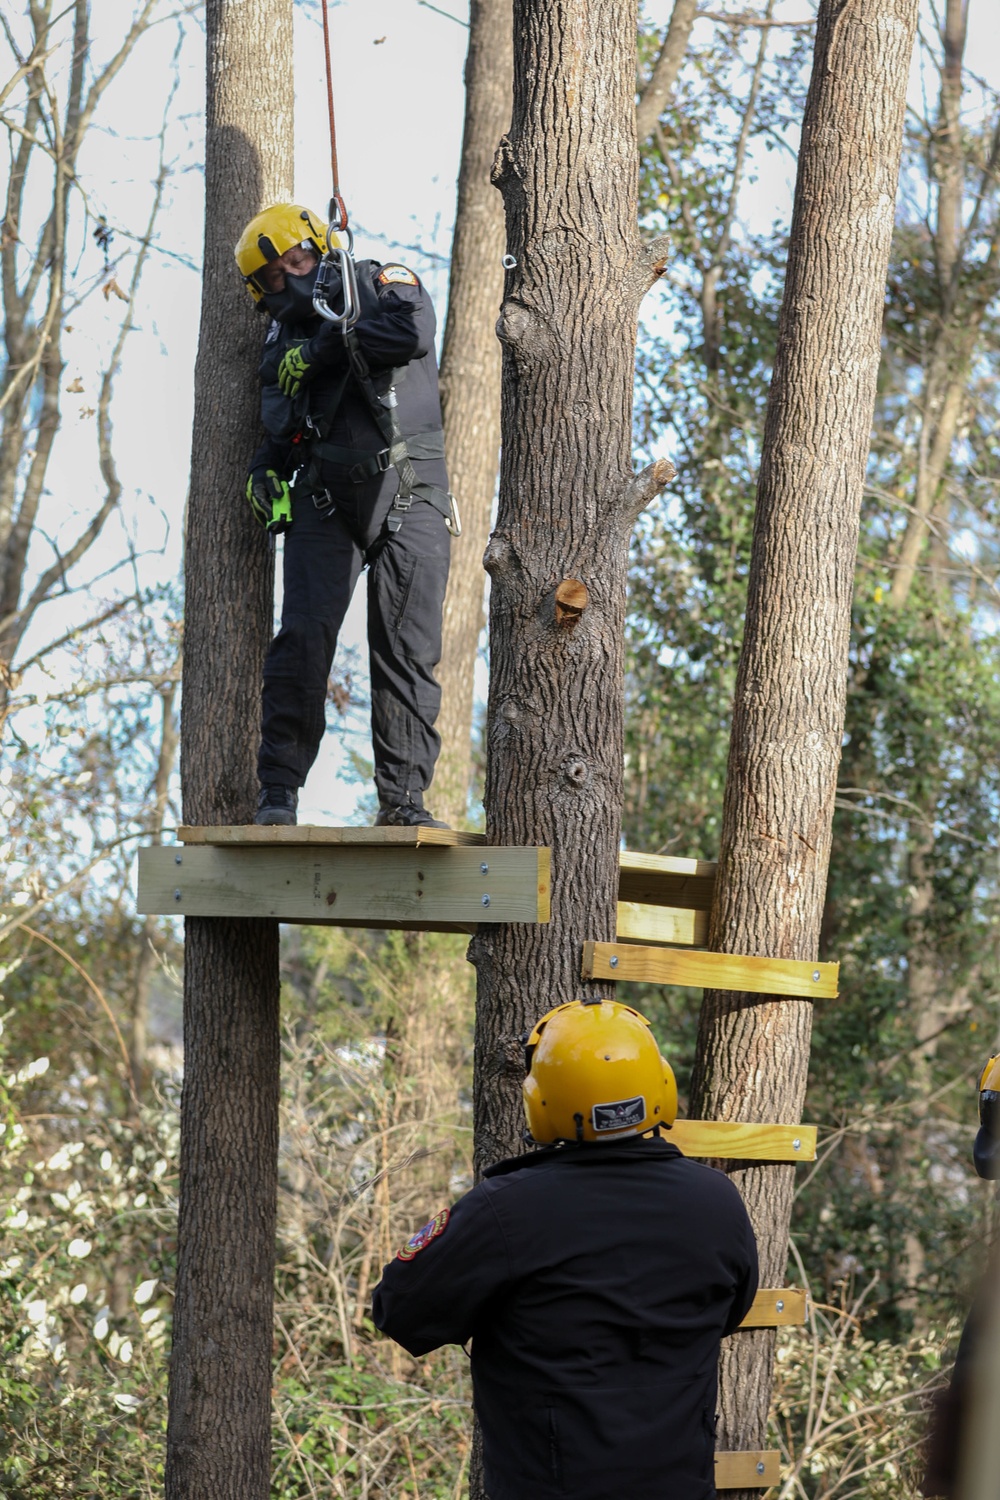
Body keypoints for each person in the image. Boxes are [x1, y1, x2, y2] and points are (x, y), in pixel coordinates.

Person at [372, 998, 759, 1500]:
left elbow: (398, 1309)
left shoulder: (505, 1210)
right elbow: (732, 1311)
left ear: (541, 1101)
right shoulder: (718, 1201)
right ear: (660, 1085)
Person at [234, 203, 456, 827]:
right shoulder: (280, 345)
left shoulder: (381, 284)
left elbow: (410, 337)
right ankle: (278, 792)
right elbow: (278, 427)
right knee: (302, 640)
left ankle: (404, 801)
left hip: (410, 489)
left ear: (321, 247)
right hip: (325, 498)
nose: (293, 278)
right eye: (277, 277)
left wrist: (329, 348)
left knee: (408, 649)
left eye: (298, 260)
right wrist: (263, 473)